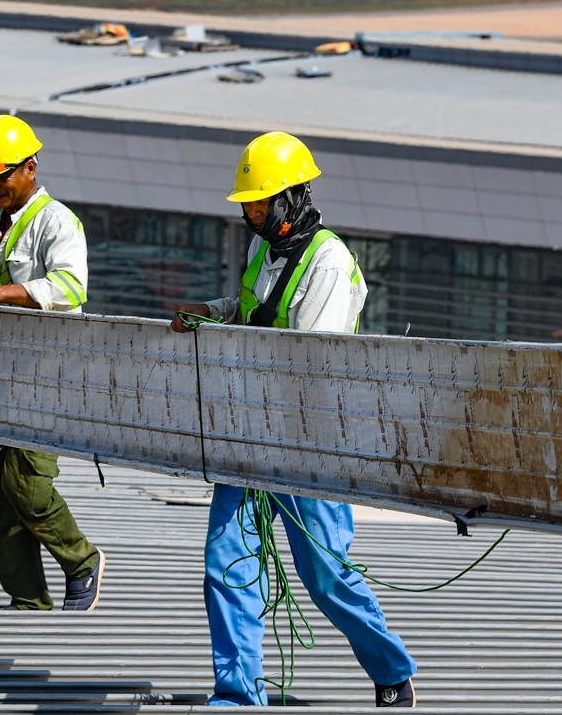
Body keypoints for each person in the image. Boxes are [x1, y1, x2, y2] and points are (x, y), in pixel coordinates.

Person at [171, 131, 417, 708]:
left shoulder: (329, 261)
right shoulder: (265, 248)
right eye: (247, 206)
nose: (252, 215)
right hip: (250, 430)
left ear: (293, 197)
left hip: (311, 442)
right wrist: (212, 311)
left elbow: (311, 360)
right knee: (226, 563)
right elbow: (254, 311)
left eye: (261, 204)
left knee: (326, 574)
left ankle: (392, 671)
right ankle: (237, 694)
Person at [0, 114, 105, 612]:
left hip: (44, 374)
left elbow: (72, 288)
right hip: (1, 373)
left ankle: (82, 561)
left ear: (30, 168)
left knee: (26, 484)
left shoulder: (56, 221)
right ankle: (27, 599)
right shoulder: (5, 225)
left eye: (2, 175)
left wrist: (0, 292)